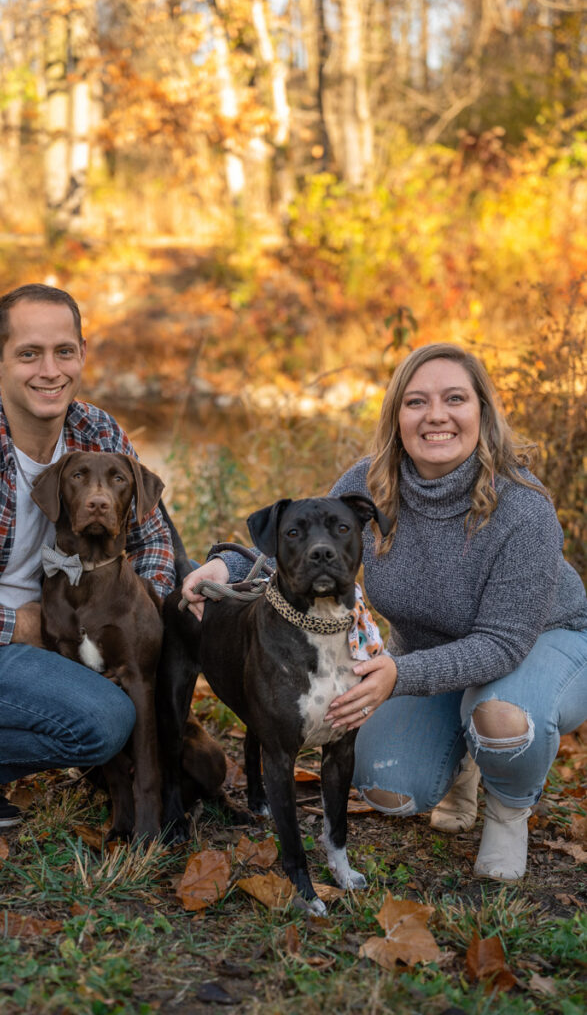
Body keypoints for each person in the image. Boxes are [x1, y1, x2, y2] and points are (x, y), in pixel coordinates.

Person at [182, 343, 587, 881]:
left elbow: (501, 643)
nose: (436, 415)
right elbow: (298, 542)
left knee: (502, 718)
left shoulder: (523, 509)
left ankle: (509, 811)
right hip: (428, 652)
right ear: (397, 415)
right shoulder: (370, 481)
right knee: (386, 786)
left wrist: (399, 675)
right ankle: (460, 754)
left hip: (540, 644)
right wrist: (227, 570)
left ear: (483, 413)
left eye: (455, 399)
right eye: (416, 401)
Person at [0, 284, 175, 827]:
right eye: (29, 353)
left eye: (64, 352)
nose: (50, 371)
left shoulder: (94, 430)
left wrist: (138, 616)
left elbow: (154, 539)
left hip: (72, 623)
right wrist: (12, 625)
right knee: (102, 721)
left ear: (81, 354)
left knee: (185, 586)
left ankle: (156, 770)